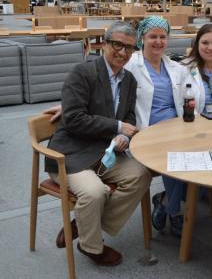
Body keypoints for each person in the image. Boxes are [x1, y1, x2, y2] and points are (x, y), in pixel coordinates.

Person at [44, 21, 152, 266]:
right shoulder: (82, 73)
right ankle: (91, 246)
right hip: (69, 153)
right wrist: (117, 128)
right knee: (94, 192)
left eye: (129, 48)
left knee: (141, 175)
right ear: (104, 43)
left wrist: (124, 136)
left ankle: (84, 224)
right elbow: (72, 120)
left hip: (103, 152)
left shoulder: (130, 81)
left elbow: (129, 117)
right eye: (117, 45)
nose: (123, 52)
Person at [124, 16, 190, 238]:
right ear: (142, 38)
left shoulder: (176, 68)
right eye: (153, 36)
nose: (158, 41)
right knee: (175, 159)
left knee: (203, 156)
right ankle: (174, 211)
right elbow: (105, 86)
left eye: (163, 37)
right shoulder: (130, 65)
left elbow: (189, 97)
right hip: (147, 131)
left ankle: (163, 200)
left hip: (178, 128)